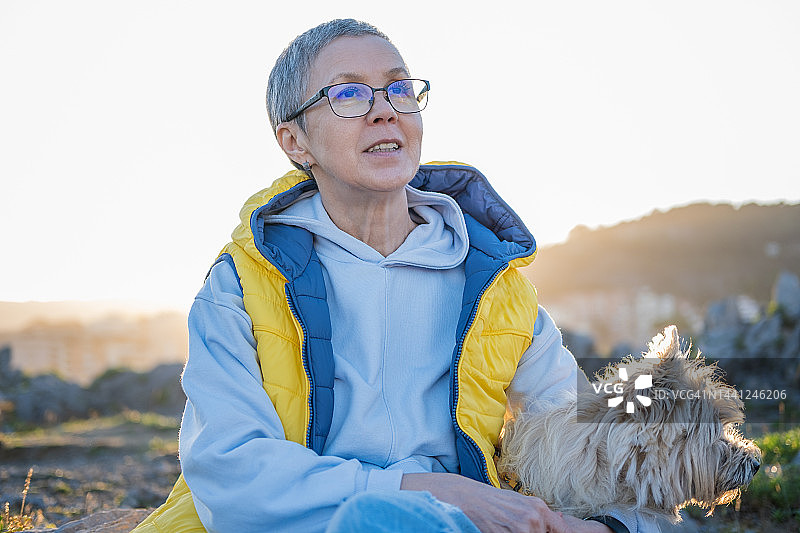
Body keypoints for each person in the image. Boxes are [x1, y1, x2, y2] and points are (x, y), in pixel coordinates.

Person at [133, 19, 655, 533]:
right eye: (350, 95)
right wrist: (427, 493)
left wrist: (605, 528)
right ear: (296, 142)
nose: (384, 110)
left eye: (399, 89)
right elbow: (233, 476)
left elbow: (592, 455)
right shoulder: (241, 287)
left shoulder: (495, 287)